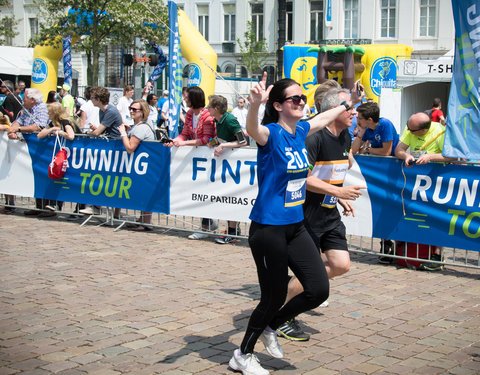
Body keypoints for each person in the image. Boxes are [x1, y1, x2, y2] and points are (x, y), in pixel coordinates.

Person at [229, 73, 349, 375]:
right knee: (273, 296)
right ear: (279, 104)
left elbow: (324, 117)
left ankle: (273, 324)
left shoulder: (300, 131)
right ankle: (243, 355)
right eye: (295, 98)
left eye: (303, 98)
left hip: (296, 226)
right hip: (268, 229)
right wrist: (256, 104)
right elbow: (252, 128)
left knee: (319, 289)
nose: (301, 102)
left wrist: (350, 101)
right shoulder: (270, 134)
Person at [275, 88, 365, 342]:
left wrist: (339, 196)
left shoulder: (345, 136)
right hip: (306, 216)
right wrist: (339, 192)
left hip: (330, 215)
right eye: (349, 108)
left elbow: (335, 172)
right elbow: (303, 178)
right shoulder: (313, 138)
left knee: (341, 265)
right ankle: (283, 315)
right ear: (333, 111)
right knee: (311, 275)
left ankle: (291, 289)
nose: (354, 113)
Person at [395, 112, 455, 271]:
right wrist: (405, 156)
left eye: (411, 129)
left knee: (436, 218)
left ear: (422, 130)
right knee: (413, 215)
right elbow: (398, 150)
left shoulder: (440, 132)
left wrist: (431, 157)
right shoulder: (411, 128)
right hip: (415, 182)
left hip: (436, 183)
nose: (408, 130)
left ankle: (436, 255)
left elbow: (451, 156)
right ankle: (408, 250)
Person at [164, 86, 217, 240]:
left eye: (186, 98)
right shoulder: (189, 114)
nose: (184, 100)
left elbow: (207, 139)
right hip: (196, 158)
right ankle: (208, 222)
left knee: (206, 191)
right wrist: (175, 141)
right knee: (199, 190)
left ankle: (206, 226)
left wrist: (184, 144)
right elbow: (185, 133)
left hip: (208, 158)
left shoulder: (207, 116)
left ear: (193, 99)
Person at [352, 102, 399, 263]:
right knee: (378, 210)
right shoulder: (368, 128)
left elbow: (386, 151)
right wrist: (360, 134)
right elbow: (354, 151)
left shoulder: (384, 125)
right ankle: (385, 243)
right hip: (378, 174)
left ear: (370, 119)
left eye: (360, 118)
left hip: (392, 173)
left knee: (391, 210)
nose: (357, 121)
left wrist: (367, 150)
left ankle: (395, 244)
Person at [207, 95, 247, 244]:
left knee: (232, 198)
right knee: (227, 198)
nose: (208, 109)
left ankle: (232, 232)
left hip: (235, 164)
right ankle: (233, 230)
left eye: (209, 107)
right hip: (226, 164)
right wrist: (213, 142)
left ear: (216, 109)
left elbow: (243, 141)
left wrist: (223, 146)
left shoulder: (230, 119)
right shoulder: (218, 120)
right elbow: (221, 138)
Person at [7, 88, 50, 216]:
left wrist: (18, 129)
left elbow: (39, 126)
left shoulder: (42, 108)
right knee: (33, 176)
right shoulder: (27, 109)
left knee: (43, 176)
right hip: (29, 148)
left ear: (32, 99)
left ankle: (46, 207)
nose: (22, 100)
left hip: (42, 148)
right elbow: (18, 121)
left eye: (24, 98)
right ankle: (38, 206)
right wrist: (12, 129)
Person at [118, 99, 156, 231]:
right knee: (142, 192)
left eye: (135, 109)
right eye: (130, 108)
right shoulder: (139, 126)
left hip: (143, 166)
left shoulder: (141, 128)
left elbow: (130, 148)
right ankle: (143, 220)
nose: (131, 111)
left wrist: (123, 133)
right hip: (142, 166)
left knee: (143, 193)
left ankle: (146, 222)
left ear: (143, 112)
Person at [36, 102, 79, 217]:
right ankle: (55, 205)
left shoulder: (66, 122)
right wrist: (52, 129)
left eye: (49, 112)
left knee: (73, 182)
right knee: (59, 179)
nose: (48, 114)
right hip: (64, 156)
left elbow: (71, 136)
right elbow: (40, 135)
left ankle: (78, 210)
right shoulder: (53, 123)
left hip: (74, 156)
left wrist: (61, 132)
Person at [0, 113, 15, 214]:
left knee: (6, 180)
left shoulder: (6, 127)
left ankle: (11, 203)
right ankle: (7, 203)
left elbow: (5, 126)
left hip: (6, 158)